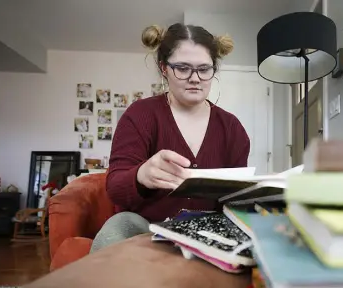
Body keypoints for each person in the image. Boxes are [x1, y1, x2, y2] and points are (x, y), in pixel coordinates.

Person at [90, 23, 250, 252]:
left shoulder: (232, 128)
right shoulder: (140, 115)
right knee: (119, 226)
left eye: (204, 69)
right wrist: (140, 175)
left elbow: (235, 201)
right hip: (147, 229)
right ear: (164, 67)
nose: (195, 78)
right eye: (183, 68)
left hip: (210, 233)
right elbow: (114, 188)